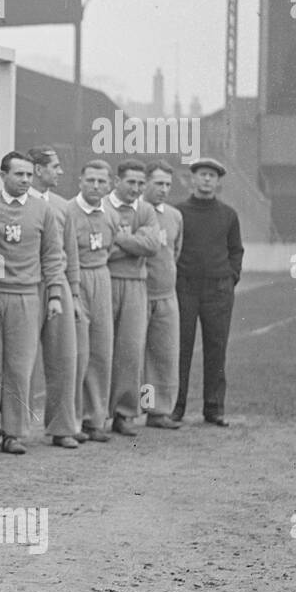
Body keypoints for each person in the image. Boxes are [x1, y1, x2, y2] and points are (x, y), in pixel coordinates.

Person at [0, 151, 66, 454]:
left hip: (26, 295)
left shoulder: (41, 210)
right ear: (3, 175)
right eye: (19, 174)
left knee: (19, 366)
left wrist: (55, 294)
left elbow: (52, 255)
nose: (25, 180)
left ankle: (14, 432)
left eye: (29, 175)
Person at [172, 157, 243, 426]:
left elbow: (236, 251)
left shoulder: (228, 215)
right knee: (181, 348)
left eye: (212, 176)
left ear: (218, 181)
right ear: (193, 179)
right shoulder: (179, 212)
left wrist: (230, 277)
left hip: (218, 290)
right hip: (185, 288)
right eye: (202, 174)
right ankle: (175, 407)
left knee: (217, 348)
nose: (206, 179)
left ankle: (213, 408)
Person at [27, 146, 84, 449]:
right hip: (24, 284)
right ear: (38, 169)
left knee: (64, 358)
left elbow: (70, 254)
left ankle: (62, 427)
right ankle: (12, 430)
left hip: (57, 284)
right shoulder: (12, 203)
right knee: (19, 362)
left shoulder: (63, 207)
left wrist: (72, 293)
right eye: (55, 166)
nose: (61, 172)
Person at [103, 160, 159, 436]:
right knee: (99, 348)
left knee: (131, 349)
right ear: (117, 181)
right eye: (130, 182)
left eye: (140, 183)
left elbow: (151, 246)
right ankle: (94, 413)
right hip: (105, 281)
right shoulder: (102, 206)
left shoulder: (146, 210)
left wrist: (122, 240)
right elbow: (101, 249)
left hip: (136, 285)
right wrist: (131, 243)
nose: (136, 188)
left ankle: (123, 413)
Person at [69, 160, 117, 442]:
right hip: (76, 279)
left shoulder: (109, 214)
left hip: (102, 278)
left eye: (101, 181)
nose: (96, 186)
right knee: (77, 354)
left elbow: (110, 247)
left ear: (108, 184)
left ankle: (95, 419)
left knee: (101, 352)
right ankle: (72, 420)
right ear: (80, 181)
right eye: (91, 181)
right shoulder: (68, 212)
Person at [142, 162, 184, 429]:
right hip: (139, 293)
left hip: (166, 295)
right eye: (158, 183)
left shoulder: (174, 216)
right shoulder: (136, 212)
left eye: (168, 184)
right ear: (146, 183)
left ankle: (158, 411)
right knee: (132, 355)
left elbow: (174, 252)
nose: (164, 189)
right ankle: (122, 411)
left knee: (164, 355)